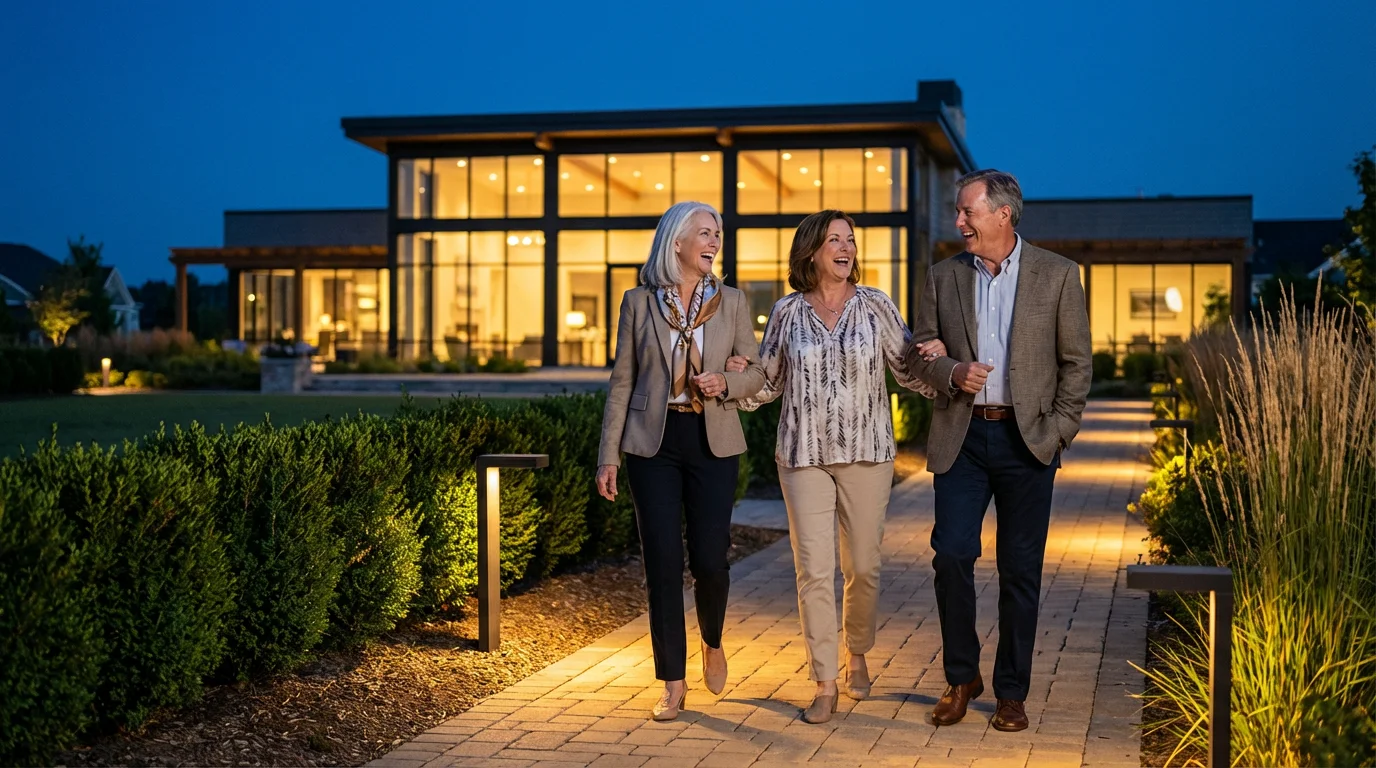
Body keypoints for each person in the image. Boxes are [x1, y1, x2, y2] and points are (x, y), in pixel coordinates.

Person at [731, 210, 944, 724]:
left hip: (867, 453)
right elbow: (771, 380)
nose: (845, 248)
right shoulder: (786, 312)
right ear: (811, 252)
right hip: (802, 455)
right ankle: (824, 680)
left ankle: (858, 652)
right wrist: (738, 379)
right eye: (834, 240)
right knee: (814, 571)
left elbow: (907, 366)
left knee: (864, 566)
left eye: (850, 239)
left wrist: (943, 364)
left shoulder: (875, 306)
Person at [904, 169, 1091, 732]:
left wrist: (1058, 430)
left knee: (1020, 570)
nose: (959, 222)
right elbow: (919, 355)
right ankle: (962, 677)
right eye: (960, 213)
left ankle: (1012, 691)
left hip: (1027, 440)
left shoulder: (1057, 275)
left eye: (968, 212)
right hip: (961, 438)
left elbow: (1077, 364)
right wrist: (950, 369)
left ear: (1002, 214)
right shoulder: (942, 276)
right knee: (952, 555)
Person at [595, 201, 766, 721]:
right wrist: (608, 457)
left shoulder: (732, 302)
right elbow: (622, 381)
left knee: (711, 560)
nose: (715, 242)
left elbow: (757, 375)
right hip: (653, 443)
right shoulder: (637, 302)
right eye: (706, 234)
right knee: (662, 564)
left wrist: (727, 381)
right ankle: (672, 679)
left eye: (718, 234)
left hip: (711, 438)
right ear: (676, 243)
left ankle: (712, 639)